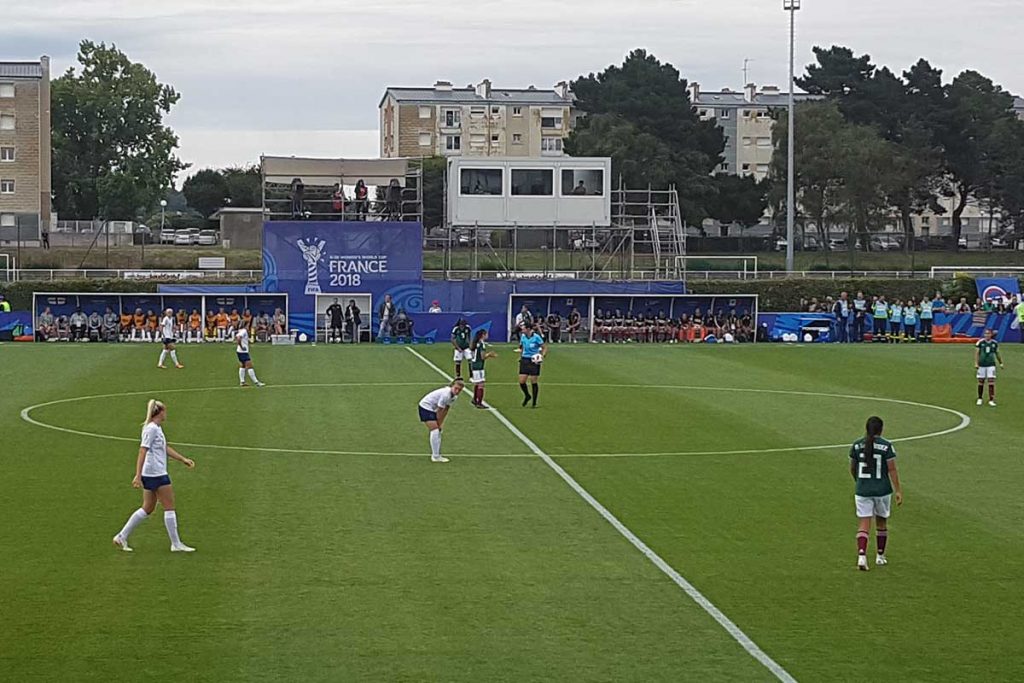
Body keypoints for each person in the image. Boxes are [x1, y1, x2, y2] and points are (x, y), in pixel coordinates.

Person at [112, 400, 196, 553]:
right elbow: (142, 451)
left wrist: (182, 459)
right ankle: (176, 544)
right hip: (156, 473)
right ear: (160, 412)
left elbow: (164, 448)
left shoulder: (155, 428)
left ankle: (121, 535)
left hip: (150, 473)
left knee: (148, 508)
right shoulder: (152, 429)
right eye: (165, 411)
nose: (166, 414)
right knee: (169, 506)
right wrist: (137, 475)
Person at [849, 416, 903, 572]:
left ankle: (861, 555)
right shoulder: (886, 446)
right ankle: (880, 556)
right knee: (881, 522)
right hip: (882, 490)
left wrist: (858, 482)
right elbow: (891, 469)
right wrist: (898, 490)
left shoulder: (857, 445)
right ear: (881, 429)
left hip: (862, 489)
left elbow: (853, 467)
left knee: (864, 523)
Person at [418, 378, 465, 463]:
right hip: (425, 407)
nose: (457, 391)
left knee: (437, 430)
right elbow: (440, 410)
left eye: (459, 390)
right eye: (456, 388)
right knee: (435, 430)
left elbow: (446, 409)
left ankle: (437, 455)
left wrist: (440, 423)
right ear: (452, 386)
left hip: (432, 408)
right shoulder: (446, 395)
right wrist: (438, 424)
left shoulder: (454, 397)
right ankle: (435, 456)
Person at [517, 321, 547, 408]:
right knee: (522, 381)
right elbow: (522, 347)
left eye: (523, 328)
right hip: (525, 359)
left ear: (528, 329)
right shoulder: (523, 337)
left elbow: (544, 347)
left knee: (533, 381)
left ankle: (534, 402)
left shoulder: (536, 337)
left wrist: (542, 356)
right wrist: (521, 356)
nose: (522, 329)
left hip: (534, 361)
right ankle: (527, 395)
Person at [975, 329, 1003, 407]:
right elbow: (977, 353)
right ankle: (980, 398)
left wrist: (1000, 363)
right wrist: (976, 363)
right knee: (981, 381)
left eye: (988, 334)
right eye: (986, 333)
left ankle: (991, 399)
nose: (987, 335)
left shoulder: (994, 343)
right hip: (982, 365)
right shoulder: (980, 342)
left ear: (991, 335)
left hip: (991, 365)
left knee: (991, 381)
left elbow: (997, 353)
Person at [469, 329, 497, 408]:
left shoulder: (475, 343)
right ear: (483, 335)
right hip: (479, 366)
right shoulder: (481, 344)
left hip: (474, 365)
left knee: (477, 383)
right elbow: (482, 357)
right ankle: (479, 403)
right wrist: (490, 355)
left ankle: (474, 399)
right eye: (486, 334)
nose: (487, 335)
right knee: (481, 384)